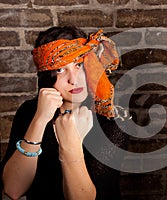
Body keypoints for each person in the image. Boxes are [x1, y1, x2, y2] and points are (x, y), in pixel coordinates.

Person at [0, 26, 129, 200]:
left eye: (78, 65)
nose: (73, 80)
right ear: (47, 76)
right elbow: (13, 189)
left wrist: (71, 143)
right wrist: (39, 120)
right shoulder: (29, 111)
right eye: (60, 70)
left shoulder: (112, 119)